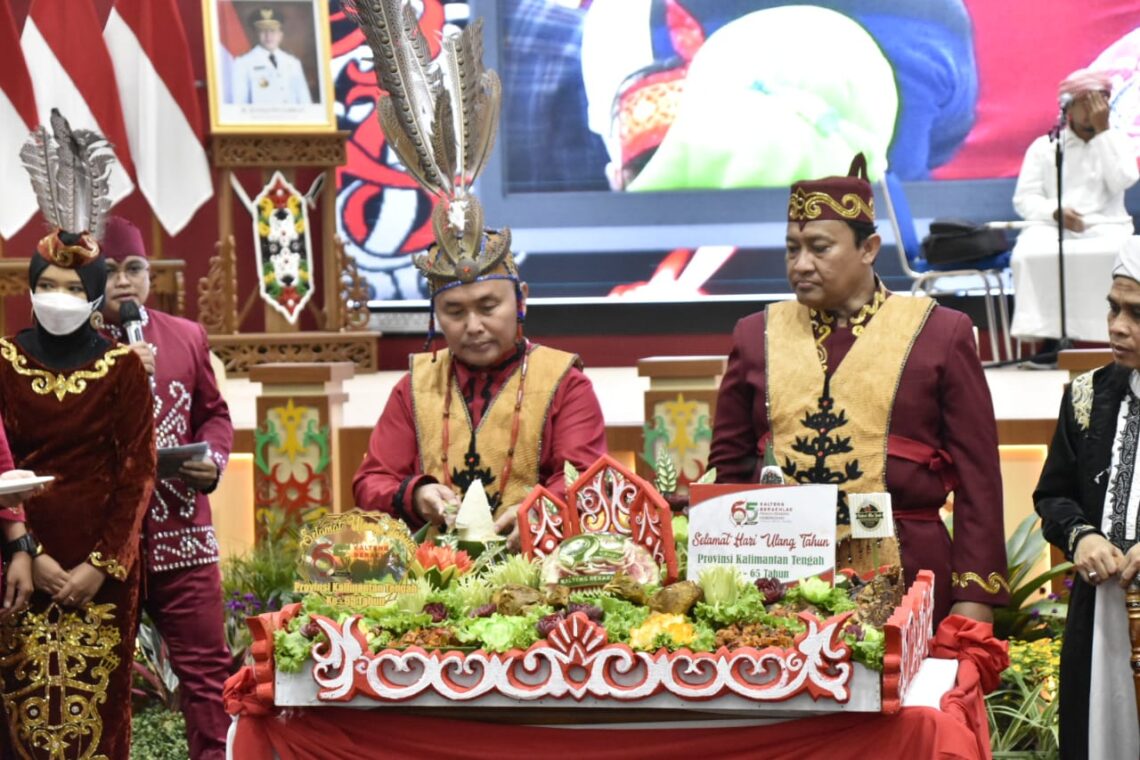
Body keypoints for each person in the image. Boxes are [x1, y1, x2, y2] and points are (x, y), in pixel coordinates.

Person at [346, 4, 608, 548]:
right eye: (455, 311)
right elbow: (370, 480)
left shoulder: (565, 383)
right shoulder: (415, 386)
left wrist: (537, 511)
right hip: (434, 576)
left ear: (522, 299)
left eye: (489, 306)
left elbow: (584, 478)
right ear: (435, 314)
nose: (473, 325)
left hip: (541, 569)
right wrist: (417, 493)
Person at [708, 154, 1009, 625]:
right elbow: (729, 469)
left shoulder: (939, 333)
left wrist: (975, 597)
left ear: (868, 248)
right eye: (791, 249)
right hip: (776, 586)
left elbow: (979, 478)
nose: (800, 264)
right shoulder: (755, 335)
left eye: (819, 248)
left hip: (912, 574)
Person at [0, 111, 156, 756]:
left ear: (97, 298)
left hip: (105, 566)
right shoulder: (3, 358)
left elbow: (138, 471)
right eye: (47, 286)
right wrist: (25, 548)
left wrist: (102, 564)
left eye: (72, 288)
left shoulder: (121, 366)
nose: (58, 297)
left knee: (97, 716)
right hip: (17, 559)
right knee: (24, 715)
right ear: (29, 289)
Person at [99, 216, 234, 760]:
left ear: (149, 274)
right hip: (104, 546)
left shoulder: (186, 335)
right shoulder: (72, 348)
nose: (124, 282)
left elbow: (214, 416)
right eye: (108, 272)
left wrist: (213, 459)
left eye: (134, 269)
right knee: (103, 678)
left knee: (207, 674)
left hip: (184, 533)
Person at [1033, 237, 1140, 759]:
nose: (1117, 326)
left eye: (1136, 314)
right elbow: (1053, 495)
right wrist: (1084, 535)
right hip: (1101, 614)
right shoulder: (1086, 394)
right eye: (1113, 308)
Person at [1010, 68, 1140, 343]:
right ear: (1068, 107)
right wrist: (1055, 212)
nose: (1095, 108)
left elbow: (1123, 180)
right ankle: (1046, 340)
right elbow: (1024, 199)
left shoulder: (1117, 141)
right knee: (1026, 256)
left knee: (1117, 256)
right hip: (1052, 228)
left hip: (1106, 228)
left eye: (1101, 100)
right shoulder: (1045, 147)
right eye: (1088, 101)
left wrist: (1104, 132)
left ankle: (1109, 339)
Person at [231, 7, 313, 106]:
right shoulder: (243, 63)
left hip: (292, 119)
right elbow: (239, 103)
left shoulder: (293, 63)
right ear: (256, 34)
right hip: (259, 120)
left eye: (273, 31)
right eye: (263, 31)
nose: (268, 36)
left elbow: (305, 101)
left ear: (280, 35)